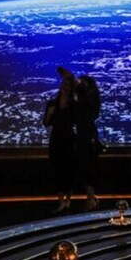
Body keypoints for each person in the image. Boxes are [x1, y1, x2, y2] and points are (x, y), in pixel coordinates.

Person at [44, 70, 77, 214]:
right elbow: (46, 123)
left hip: (69, 139)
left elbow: (76, 121)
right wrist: (49, 114)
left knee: (69, 169)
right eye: (64, 84)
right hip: (56, 139)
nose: (65, 87)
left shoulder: (73, 104)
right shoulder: (52, 103)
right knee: (56, 169)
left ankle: (68, 200)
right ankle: (61, 201)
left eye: (68, 85)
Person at [74, 74, 102, 211]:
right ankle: (90, 197)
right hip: (82, 136)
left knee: (87, 167)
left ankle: (90, 198)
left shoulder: (89, 102)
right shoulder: (84, 102)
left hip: (87, 137)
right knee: (84, 168)